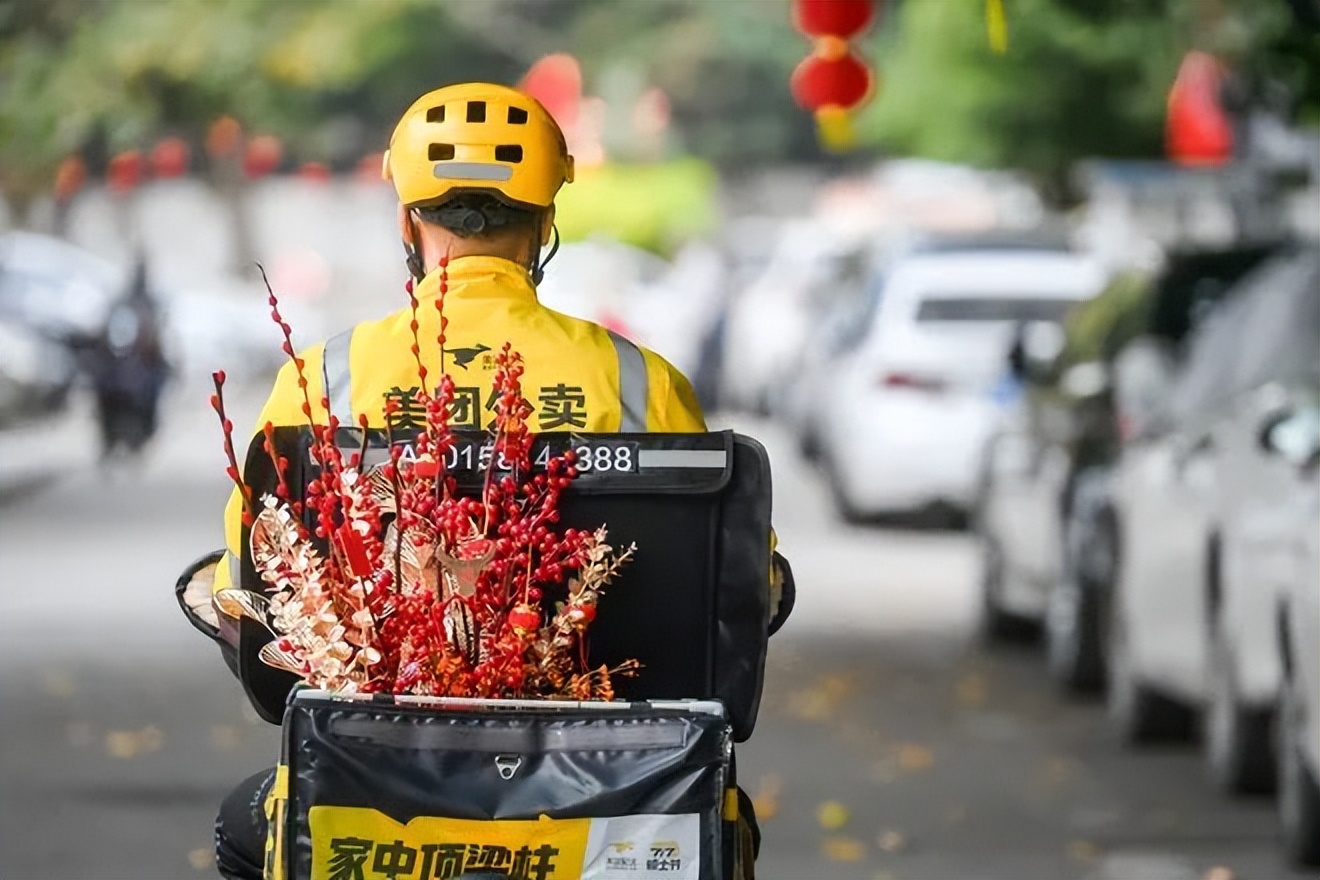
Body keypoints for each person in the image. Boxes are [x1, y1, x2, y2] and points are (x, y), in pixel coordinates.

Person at [208, 82, 759, 880]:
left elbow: (248, 570)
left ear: (406, 221)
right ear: (546, 223)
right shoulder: (640, 382)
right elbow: (741, 583)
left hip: (377, 779)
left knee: (246, 827)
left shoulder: (323, 380)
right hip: (623, 785)